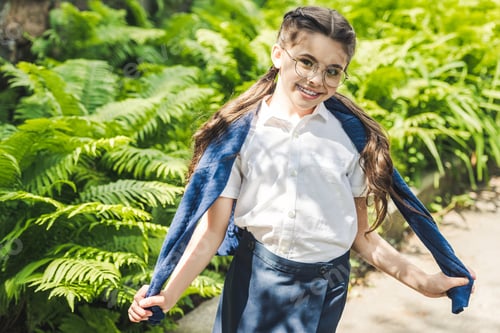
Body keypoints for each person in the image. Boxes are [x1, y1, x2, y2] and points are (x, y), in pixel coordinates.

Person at [128, 6, 475, 332]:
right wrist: (167, 295)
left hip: (328, 287)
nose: (316, 79)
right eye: (306, 62)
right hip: (258, 283)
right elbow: (210, 234)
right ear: (278, 54)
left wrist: (425, 282)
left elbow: (362, 237)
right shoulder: (240, 136)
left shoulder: (350, 139)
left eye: (332, 71)